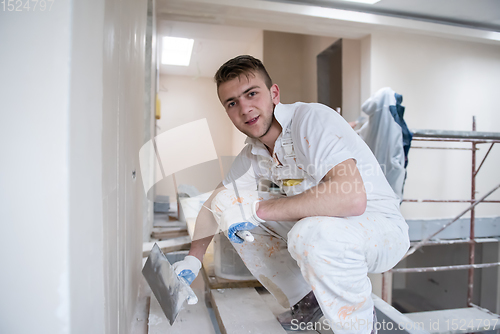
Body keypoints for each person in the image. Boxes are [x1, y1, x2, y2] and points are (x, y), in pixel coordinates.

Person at [172, 55, 410, 334]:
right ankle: (307, 302)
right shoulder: (255, 152)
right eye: (232, 103)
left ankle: (359, 329)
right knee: (227, 202)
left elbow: (352, 199)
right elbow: (214, 205)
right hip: (328, 226)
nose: (245, 108)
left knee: (309, 233)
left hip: (379, 227)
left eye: (252, 94)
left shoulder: (310, 120)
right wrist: (193, 258)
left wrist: (258, 210)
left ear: (274, 94)